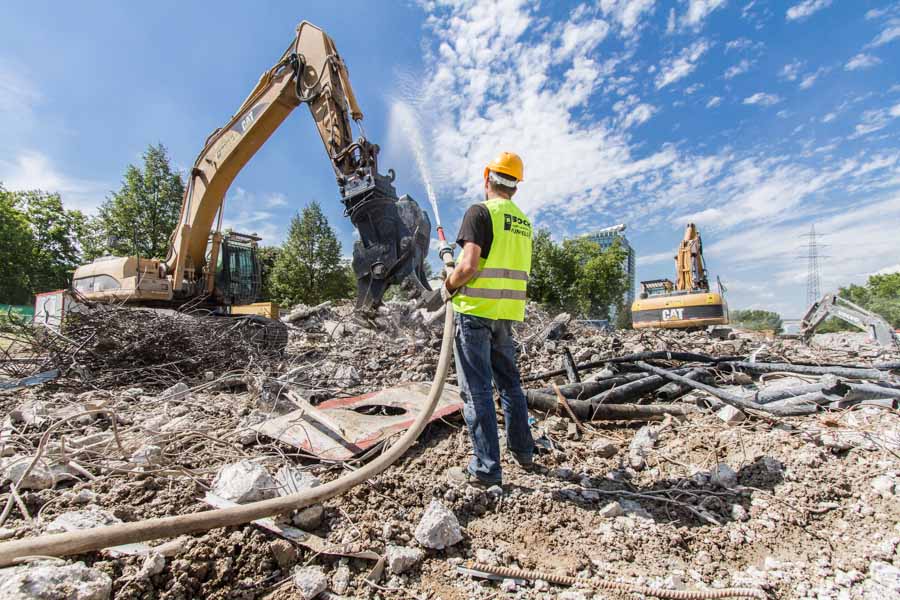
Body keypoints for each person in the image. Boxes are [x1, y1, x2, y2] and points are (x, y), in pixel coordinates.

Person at [419, 151, 535, 487]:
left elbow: (469, 266)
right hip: (505, 316)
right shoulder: (524, 223)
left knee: (478, 391)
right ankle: (523, 451)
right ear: (516, 187)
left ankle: (486, 469)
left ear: (488, 179)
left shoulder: (479, 212)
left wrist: (447, 287)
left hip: (474, 316)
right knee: (511, 385)